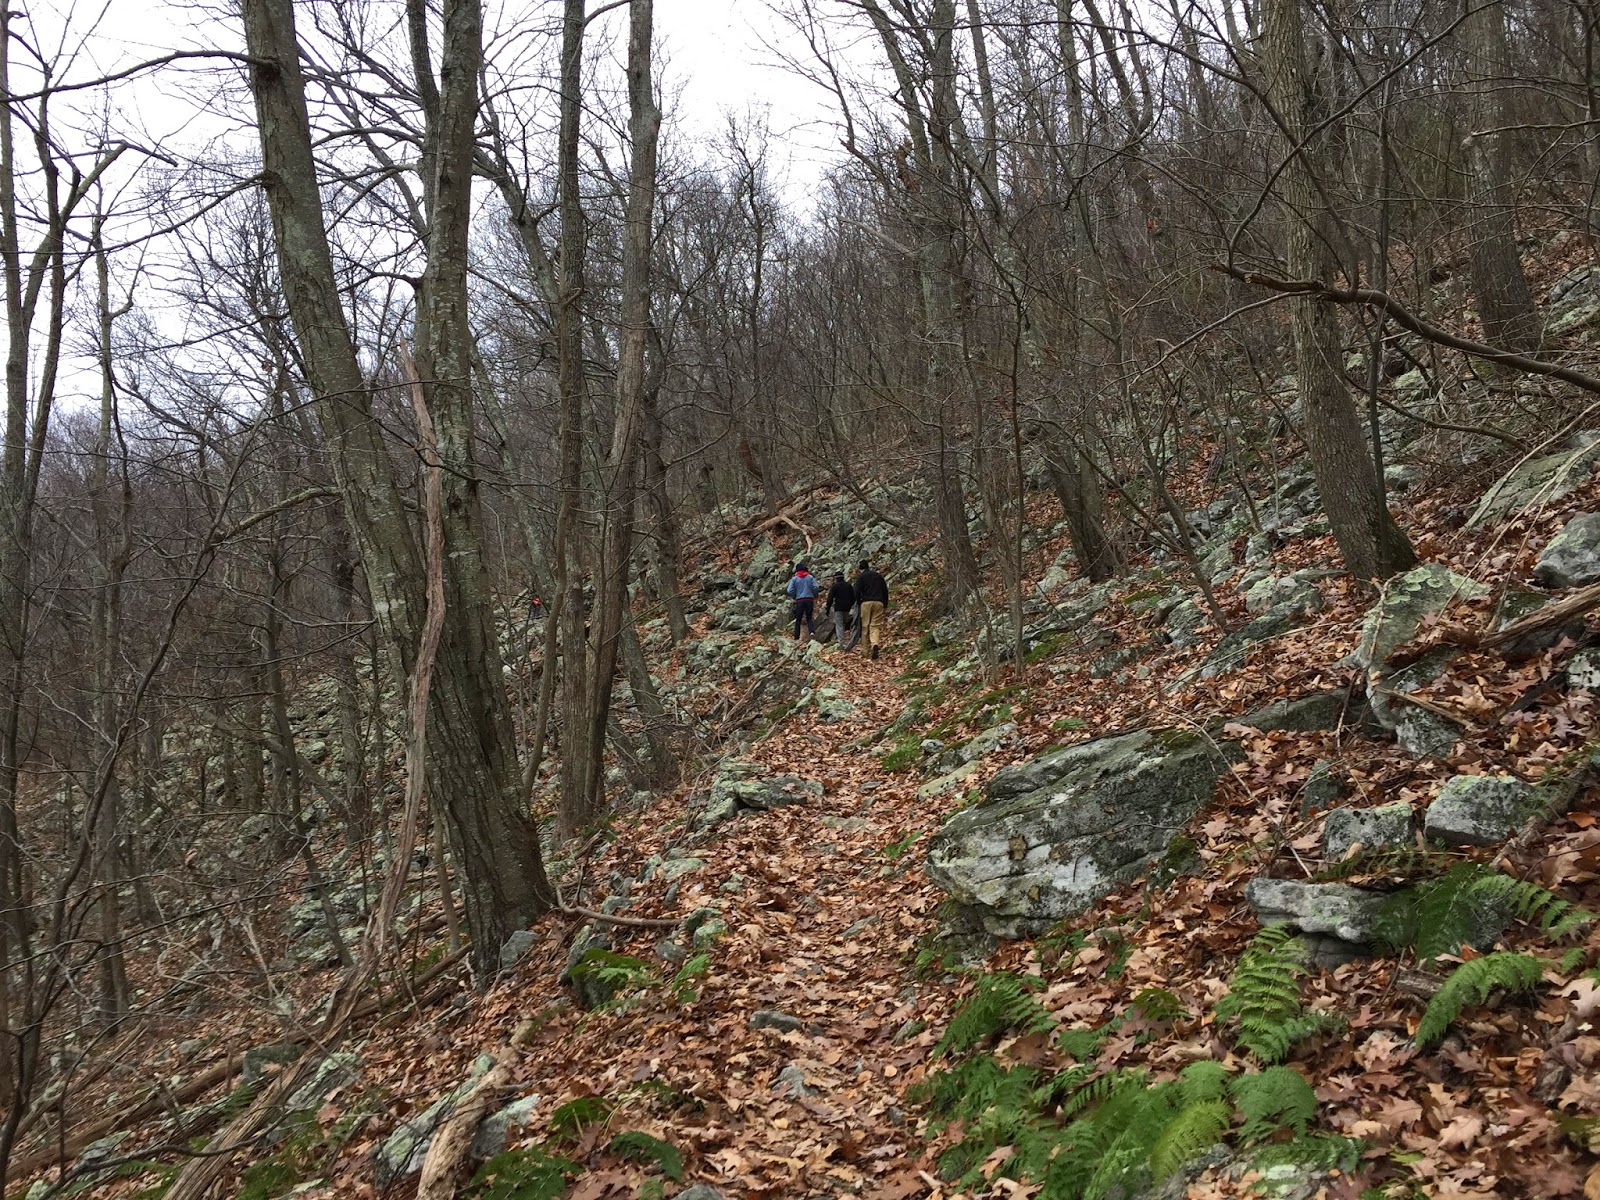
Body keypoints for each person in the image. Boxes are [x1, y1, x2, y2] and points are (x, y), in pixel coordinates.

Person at [855, 559, 890, 659]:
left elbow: (857, 591)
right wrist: (885, 603)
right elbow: (885, 590)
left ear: (860, 569)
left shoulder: (861, 577)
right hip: (879, 602)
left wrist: (858, 602)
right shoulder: (878, 576)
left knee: (865, 626)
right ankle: (875, 643)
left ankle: (865, 651)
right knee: (875, 625)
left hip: (865, 603)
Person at [785, 561, 820, 643]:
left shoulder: (794, 579)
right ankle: (812, 632)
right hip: (809, 599)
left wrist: (795, 595)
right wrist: (814, 594)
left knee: (798, 619)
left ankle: (796, 636)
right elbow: (816, 587)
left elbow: (789, 590)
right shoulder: (810, 577)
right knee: (809, 617)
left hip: (800, 600)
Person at [824, 570, 856, 651]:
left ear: (836, 578)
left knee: (839, 625)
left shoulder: (835, 586)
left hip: (838, 608)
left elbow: (830, 598)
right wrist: (850, 604)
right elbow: (853, 597)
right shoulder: (848, 585)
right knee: (844, 623)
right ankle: (845, 639)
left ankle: (841, 642)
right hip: (847, 608)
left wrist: (827, 608)